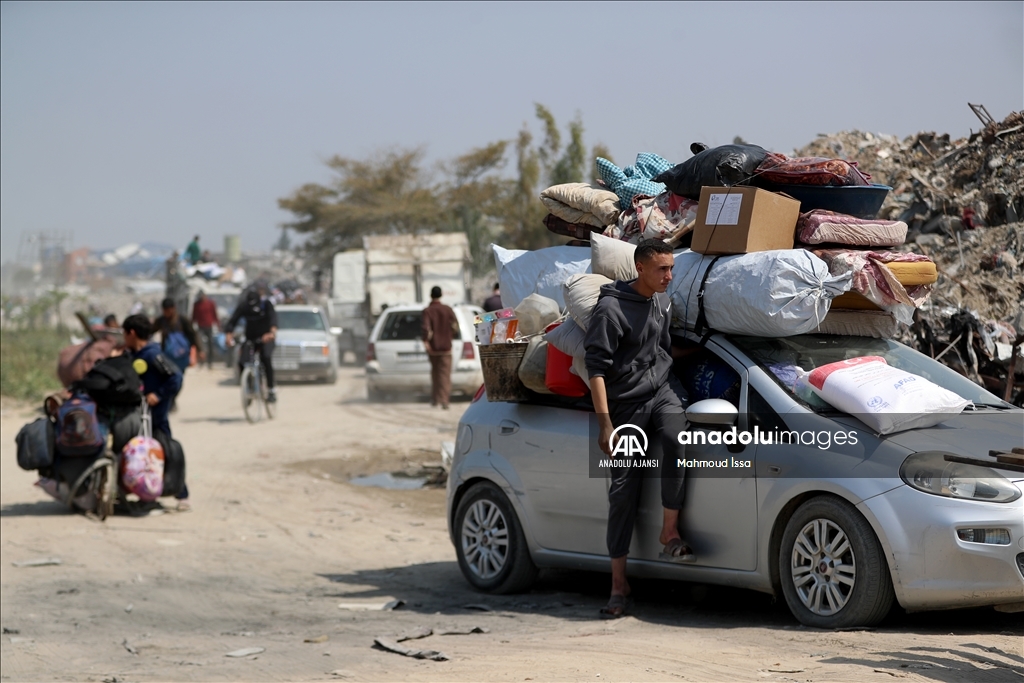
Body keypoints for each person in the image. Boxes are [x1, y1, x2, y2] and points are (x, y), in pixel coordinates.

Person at [584, 239, 692, 619]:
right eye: (662, 269)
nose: (669, 276)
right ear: (640, 268)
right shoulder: (611, 310)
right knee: (622, 492)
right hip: (625, 405)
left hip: (661, 392)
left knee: (679, 438)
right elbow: (595, 369)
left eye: (672, 268)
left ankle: (670, 532)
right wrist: (605, 425)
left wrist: (700, 349)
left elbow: (661, 352)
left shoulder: (663, 301)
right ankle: (617, 585)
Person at [121, 314, 190, 511]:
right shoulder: (132, 354)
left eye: (125, 334)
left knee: (165, 452)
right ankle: (146, 494)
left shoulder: (153, 355)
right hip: (139, 417)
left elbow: (175, 378)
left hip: (156, 418)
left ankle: (182, 494)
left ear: (132, 333)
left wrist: (159, 395)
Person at [225, 287, 278, 403]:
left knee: (266, 358)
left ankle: (271, 390)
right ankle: (248, 389)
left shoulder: (266, 304)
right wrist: (229, 335)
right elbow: (232, 321)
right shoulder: (244, 306)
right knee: (242, 361)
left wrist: (271, 333)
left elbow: (273, 320)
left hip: (266, 338)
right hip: (251, 339)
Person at [421, 286, 458, 409]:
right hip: (446, 348)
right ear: (441, 295)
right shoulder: (448, 309)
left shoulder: (428, 311)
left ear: (430, 295)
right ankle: (444, 400)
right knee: (445, 375)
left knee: (435, 373)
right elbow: (455, 326)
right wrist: (450, 337)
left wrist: (426, 342)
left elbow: (426, 329)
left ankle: (435, 399)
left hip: (433, 348)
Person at [154, 298, 200, 375]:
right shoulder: (161, 320)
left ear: (173, 308)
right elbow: (151, 330)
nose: (167, 313)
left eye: (169, 310)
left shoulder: (182, 320)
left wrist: (198, 349)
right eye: (165, 310)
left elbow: (192, 334)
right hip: (166, 352)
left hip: (181, 352)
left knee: (179, 374)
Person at [191, 291, 219, 370]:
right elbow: (194, 315)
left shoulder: (210, 303)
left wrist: (217, 324)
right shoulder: (197, 305)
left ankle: (210, 362)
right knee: (200, 345)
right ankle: (201, 362)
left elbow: (214, 314)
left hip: (209, 326)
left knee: (210, 344)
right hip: (200, 326)